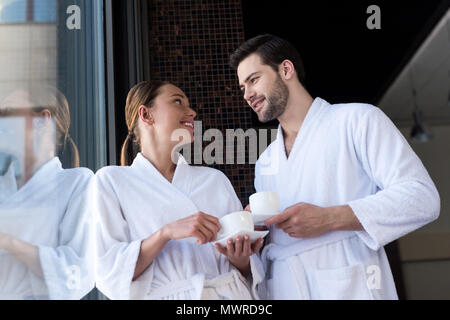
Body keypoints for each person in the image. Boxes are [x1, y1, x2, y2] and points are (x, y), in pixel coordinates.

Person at [229, 34, 440, 300]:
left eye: (254, 80)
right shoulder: (266, 162)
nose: (247, 94)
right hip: (284, 287)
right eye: (242, 87)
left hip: (350, 286)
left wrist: (330, 218)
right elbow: (275, 241)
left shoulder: (357, 120)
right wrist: (255, 236)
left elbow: (422, 198)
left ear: (286, 69)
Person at [94, 80, 264, 300]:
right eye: (178, 102)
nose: (191, 112)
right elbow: (109, 272)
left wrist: (240, 257)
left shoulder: (214, 180)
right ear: (146, 115)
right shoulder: (111, 182)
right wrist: (166, 233)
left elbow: (246, 271)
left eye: (189, 104)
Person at [0, 85, 95, 299]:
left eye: (6, 111)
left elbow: (79, 274)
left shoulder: (78, 183)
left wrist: (8, 242)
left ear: (42, 120)